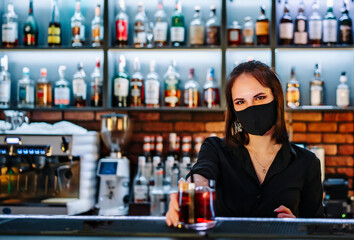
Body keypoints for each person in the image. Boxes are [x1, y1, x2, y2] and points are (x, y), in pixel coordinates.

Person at [166, 60, 324, 227]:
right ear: (234, 111)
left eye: (260, 98)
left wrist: (298, 228)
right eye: (241, 102)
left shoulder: (307, 163)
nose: (251, 108)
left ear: (277, 98)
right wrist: (192, 190)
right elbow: (202, 173)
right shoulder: (215, 149)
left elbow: (317, 229)